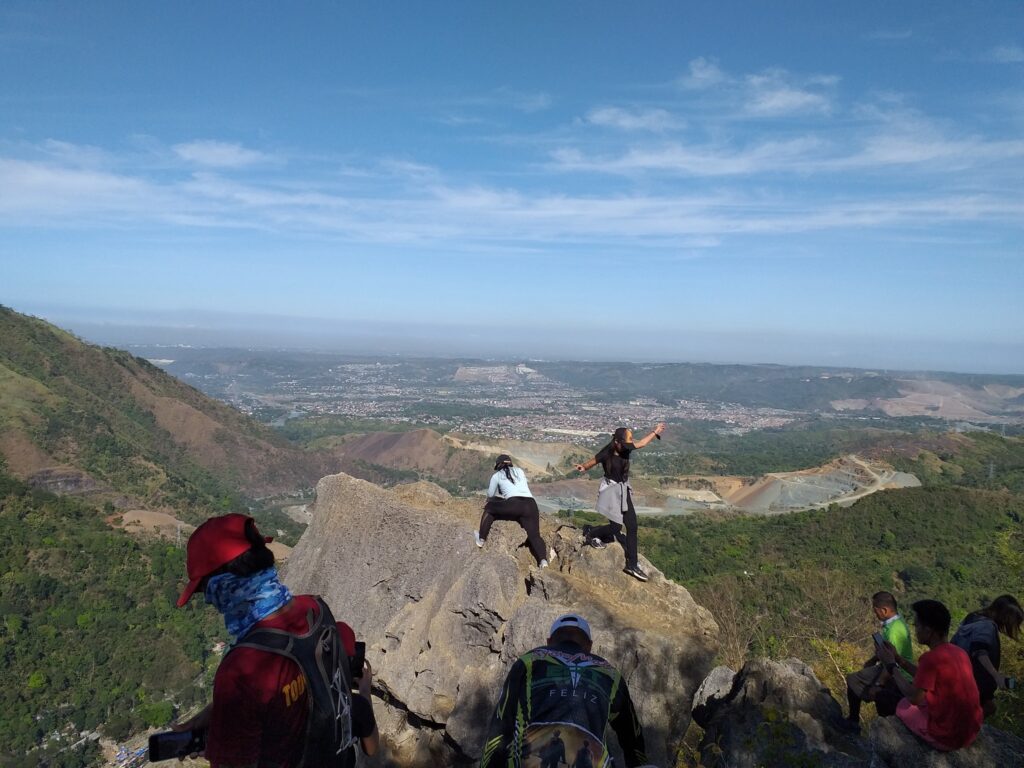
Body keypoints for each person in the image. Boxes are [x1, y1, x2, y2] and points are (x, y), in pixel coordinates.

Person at [173, 513, 379, 767]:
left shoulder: (241, 668)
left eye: (205, 590)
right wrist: (217, 711)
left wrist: (219, 747)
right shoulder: (316, 609)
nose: (209, 601)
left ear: (224, 585)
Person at [479, 613, 649, 768]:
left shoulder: (529, 661)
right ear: (589, 645)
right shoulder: (611, 674)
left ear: (549, 641)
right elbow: (632, 738)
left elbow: (500, 725)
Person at [876, 599, 982, 752]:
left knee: (891, 699)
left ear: (928, 630)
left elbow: (914, 698)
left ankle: (894, 747)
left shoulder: (931, 658)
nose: (915, 630)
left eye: (917, 625)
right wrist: (899, 659)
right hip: (970, 732)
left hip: (948, 737)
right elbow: (927, 676)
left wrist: (891, 665)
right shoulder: (958, 652)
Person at [575, 424, 665, 582]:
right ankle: (592, 534)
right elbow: (594, 461)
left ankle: (632, 564)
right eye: (625, 442)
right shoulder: (607, 452)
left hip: (623, 489)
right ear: (616, 442)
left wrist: (654, 432)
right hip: (611, 490)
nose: (628, 446)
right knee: (616, 527)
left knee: (632, 526)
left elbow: (642, 443)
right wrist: (583, 467)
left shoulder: (626, 448)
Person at [844, 591, 914, 729]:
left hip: (893, 671)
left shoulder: (894, 630)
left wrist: (878, 684)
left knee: (853, 680)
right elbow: (887, 650)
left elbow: (891, 662)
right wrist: (873, 659)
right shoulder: (895, 623)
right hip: (889, 667)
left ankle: (853, 722)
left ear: (884, 610)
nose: (875, 614)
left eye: (875, 610)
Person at [951, 594, 1023, 718]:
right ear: (1005, 616)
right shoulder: (987, 627)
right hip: (972, 681)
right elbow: (979, 651)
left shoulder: (973, 618)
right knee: (986, 708)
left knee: (987, 707)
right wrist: (997, 676)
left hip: (957, 673)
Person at [478, 454, 550, 568]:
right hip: (531, 505)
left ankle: (481, 539)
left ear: (499, 466)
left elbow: (490, 495)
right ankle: (543, 561)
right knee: (535, 536)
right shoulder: (519, 471)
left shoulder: (497, 476)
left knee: (489, 508)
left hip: (514, 505)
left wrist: (494, 501)